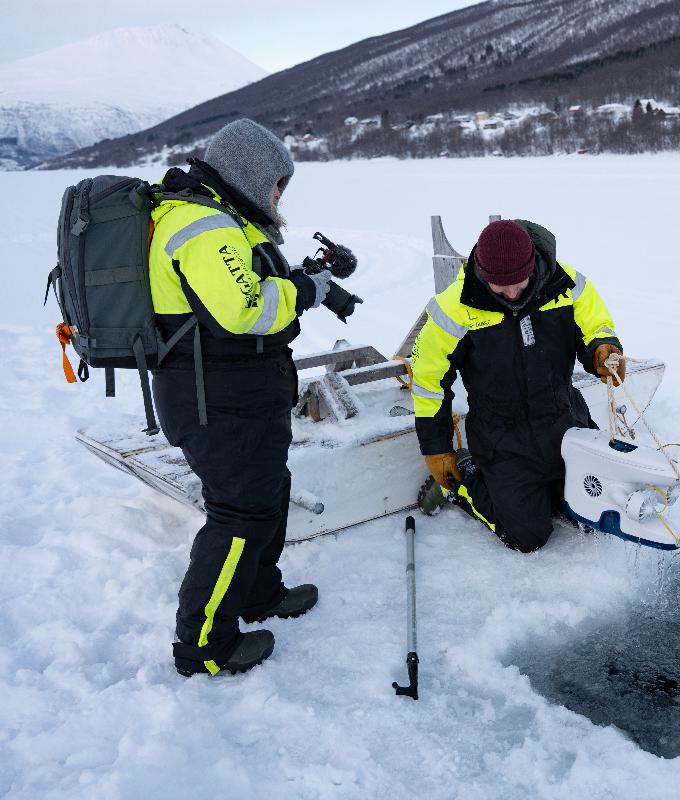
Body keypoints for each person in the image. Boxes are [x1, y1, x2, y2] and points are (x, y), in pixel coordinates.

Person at [150, 119, 357, 677]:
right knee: (238, 513)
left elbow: (252, 283)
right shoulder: (202, 224)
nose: (277, 197)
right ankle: (203, 645)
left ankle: (259, 593)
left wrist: (305, 278)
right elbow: (246, 311)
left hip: (241, 393)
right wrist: (306, 290)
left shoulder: (223, 219)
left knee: (268, 493)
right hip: (214, 399)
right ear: (248, 172)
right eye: (275, 185)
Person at [410, 219, 625, 552]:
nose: (512, 293)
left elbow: (596, 327)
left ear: (533, 267)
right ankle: (467, 477)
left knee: (591, 514)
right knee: (527, 537)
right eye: (500, 286)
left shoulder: (567, 285)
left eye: (519, 282)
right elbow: (428, 382)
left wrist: (603, 349)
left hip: (566, 425)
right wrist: (436, 447)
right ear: (482, 272)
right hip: (503, 441)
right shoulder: (454, 308)